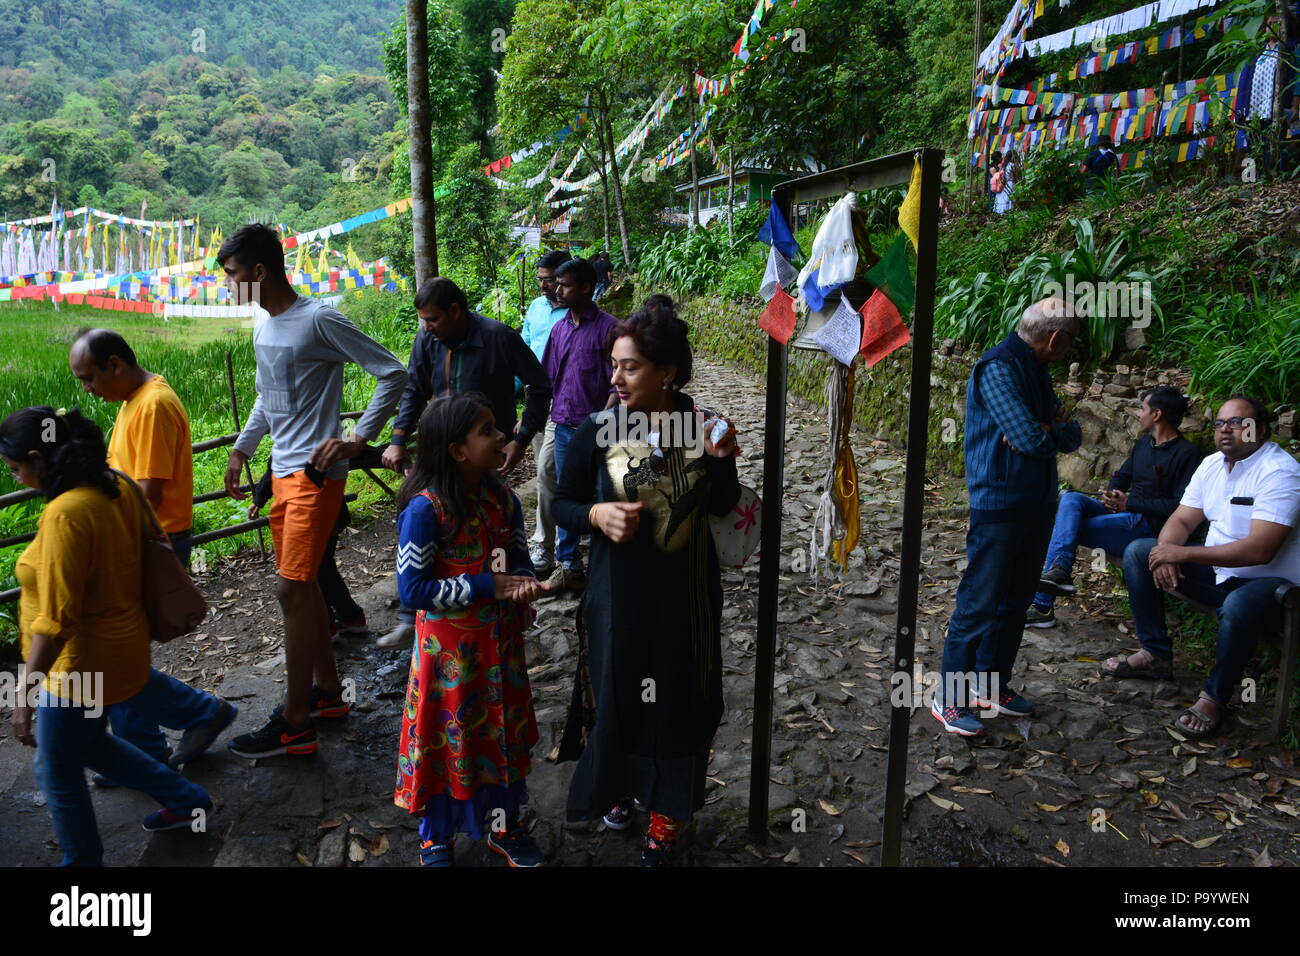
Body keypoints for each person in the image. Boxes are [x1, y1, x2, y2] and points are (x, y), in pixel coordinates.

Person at [552, 303, 742, 866]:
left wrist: (723, 460)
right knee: (621, 693)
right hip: (618, 600)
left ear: (668, 372)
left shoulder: (703, 427)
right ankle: (621, 790)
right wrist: (594, 516)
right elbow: (560, 502)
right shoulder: (600, 428)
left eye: (629, 367)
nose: (614, 378)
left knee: (678, 701)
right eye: (613, 365)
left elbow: (726, 505)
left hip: (687, 600)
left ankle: (667, 816)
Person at [221, 223, 408, 759]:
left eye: (233, 275)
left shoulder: (319, 318)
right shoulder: (264, 327)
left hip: (315, 478)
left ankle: (295, 718)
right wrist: (241, 449)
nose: (229, 285)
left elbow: (390, 372)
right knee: (300, 590)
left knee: (290, 591)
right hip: (282, 473)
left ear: (260, 271)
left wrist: (356, 440)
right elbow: (265, 396)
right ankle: (328, 694)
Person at [3, 407, 214, 866]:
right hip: (124, 650)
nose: (18, 479)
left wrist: (24, 695)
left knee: (56, 769)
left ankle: (82, 866)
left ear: (39, 458)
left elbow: (57, 622)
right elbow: (153, 547)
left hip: (78, 670)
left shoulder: (66, 513)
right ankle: (187, 800)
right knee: (92, 744)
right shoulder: (116, 483)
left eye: (17, 469)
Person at [67, 328, 237, 778]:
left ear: (115, 366)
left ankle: (197, 715)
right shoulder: (133, 402)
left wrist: (104, 542)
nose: (87, 390)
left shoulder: (153, 406)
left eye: (89, 379)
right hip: (136, 540)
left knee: (115, 657)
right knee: (120, 655)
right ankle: (142, 751)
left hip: (146, 543)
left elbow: (148, 492)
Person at [392, 393, 546, 867]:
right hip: (447, 660)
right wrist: (488, 585)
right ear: (458, 451)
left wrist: (522, 586)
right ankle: (436, 834)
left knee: (497, 734)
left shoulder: (502, 499)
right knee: (448, 739)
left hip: (500, 649)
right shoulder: (425, 511)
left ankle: (503, 826)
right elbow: (413, 590)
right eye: (487, 430)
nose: (501, 436)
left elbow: (517, 557)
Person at [1104, 396, 1300, 739]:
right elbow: (1181, 518)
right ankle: (1155, 654)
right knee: (1140, 551)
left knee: (1238, 605)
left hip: (1275, 586)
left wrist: (1184, 556)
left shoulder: (1280, 472)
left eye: (1238, 423)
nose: (1226, 430)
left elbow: (1261, 550)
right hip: (1220, 573)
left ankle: (1214, 698)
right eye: (1220, 423)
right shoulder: (1211, 465)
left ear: (1263, 430)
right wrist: (1166, 551)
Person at [932, 299, 1082, 737]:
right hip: (999, 505)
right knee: (979, 603)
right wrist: (1047, 429)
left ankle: (991, 685)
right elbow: (1029, 438)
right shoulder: (997, 368)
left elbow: (1068, 434)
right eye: (1070, 340)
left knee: (1016, 602)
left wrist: (1047, 430)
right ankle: (950, 696)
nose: (1070, 349)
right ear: (1055, 338)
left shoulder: (1037, 370)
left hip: (1037, 503)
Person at [378, 277, 551, 648]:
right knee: (434, 528)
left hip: (483, 458)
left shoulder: (498, 337)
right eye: (424, 320)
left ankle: (500, 606)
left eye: (433, 319)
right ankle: (420, 613)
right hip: (441, 456)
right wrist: (397, 439)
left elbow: (539, 385)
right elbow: (414, 388)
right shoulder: (428, 340)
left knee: (488, 526)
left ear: (456, 311)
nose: (426, 327)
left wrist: (520, 439)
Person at [1026, 386, 1201, 628]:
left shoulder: (1188, 454)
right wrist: (1111, 493)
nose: (1139, 415)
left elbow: (1179, 507)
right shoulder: (1143, 444)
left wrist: (1130, 503)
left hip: (1148, 526)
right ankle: (1059, 572)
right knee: (1070, 499)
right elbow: (1122, 476)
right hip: (1123, 515)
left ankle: (1042, 604)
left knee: (1068, 527)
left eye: (1143, 409)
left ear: (1157, 415)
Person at [541, 257, 620, 592]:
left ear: (586, 287)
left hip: (601, 429)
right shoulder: (560, 328)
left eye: (565, 285)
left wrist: (601, 422)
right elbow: (547, 377)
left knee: (606, 491)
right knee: (566, 493)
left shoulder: (609, 329)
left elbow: (618, 384)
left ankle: (608, 564)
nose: (557, 290)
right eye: (557, 284)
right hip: (563, 425)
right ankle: (569, 564)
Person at [249, 455, 370, 641]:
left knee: (314, 573)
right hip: (322, 518)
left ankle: (328, 626)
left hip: (319, 518)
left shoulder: (308, 445)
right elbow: (272, 471)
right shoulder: (296, 444)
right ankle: (350, 617)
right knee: (324, 569)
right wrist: (258, 501)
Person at [521, 249, 572, 578]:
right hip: (536, 400)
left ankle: (559, 538)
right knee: (545, 473)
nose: (543, 285)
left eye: (549, 279)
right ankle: (548, 539)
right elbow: (524, 346)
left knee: (553, 471)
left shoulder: (576, 315)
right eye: (539, 279)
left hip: (568, 402)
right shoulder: (537, 309)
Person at [993, 150, 1017, 215]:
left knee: (1003, 198)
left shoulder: (1003, 166)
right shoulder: (1012, 165)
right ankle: (1009, 211)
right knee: (1009, 198)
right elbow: (1014, 177)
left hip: (1004, 184)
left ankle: (1001, 211)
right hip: (1011, 183)